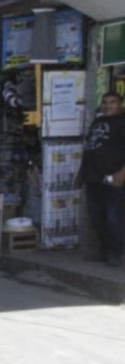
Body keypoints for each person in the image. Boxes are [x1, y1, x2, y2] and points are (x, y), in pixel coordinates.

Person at [77, 91, 125, 266]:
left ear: (120, 103)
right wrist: (81, 173)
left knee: (114, 218)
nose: (108, 105)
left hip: (113, 179)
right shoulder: (98, 122)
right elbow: (89, 149)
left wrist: (121, 174)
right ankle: (105, 250)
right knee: (97, 218)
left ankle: (116, 253)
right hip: (94, 179)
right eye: (105, 102)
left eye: (112, 102)